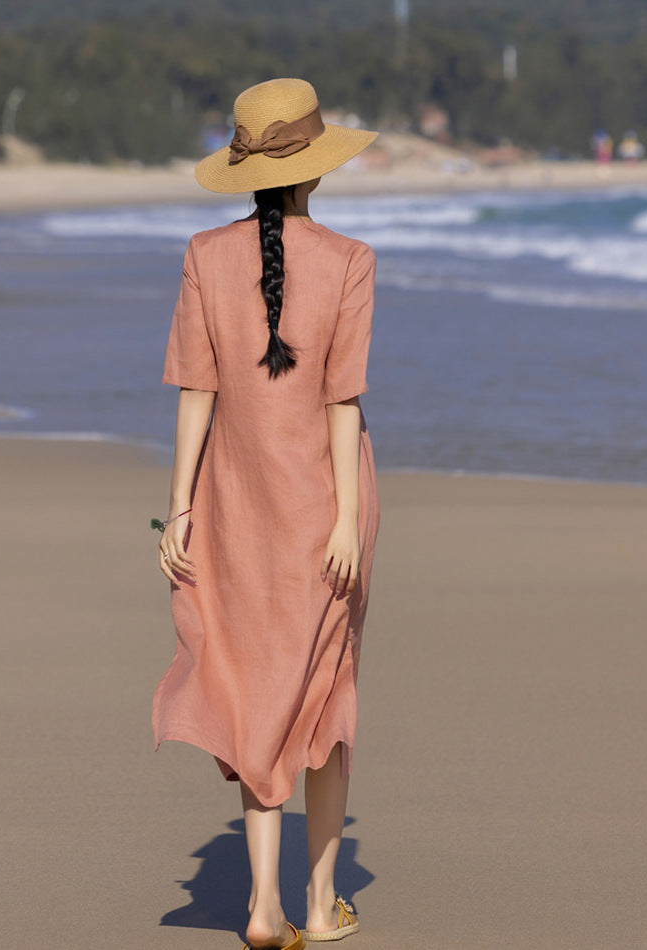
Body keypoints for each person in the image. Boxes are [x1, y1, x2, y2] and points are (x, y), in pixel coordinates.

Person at [150, 78, 380, 950]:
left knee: (256, 689)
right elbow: (341, 403)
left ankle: (260, 906)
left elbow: (195, 392)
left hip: (233, 503)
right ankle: (320, 907)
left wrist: (177, 511)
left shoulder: (205, 255)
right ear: (315, 170)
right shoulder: (350, 259)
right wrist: (348, 522)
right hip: (326, 504)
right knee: (325, 695)